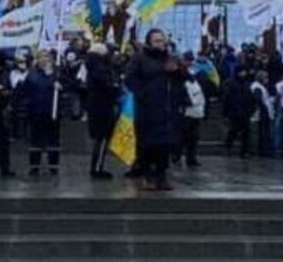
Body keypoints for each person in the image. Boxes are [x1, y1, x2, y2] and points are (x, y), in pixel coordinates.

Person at [126, 28, 184, 191]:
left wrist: (177, 71)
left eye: (162, 40)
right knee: (146, 145)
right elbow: (130, 79)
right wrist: (144, 93)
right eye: (156, 41)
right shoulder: (140, 58)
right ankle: (147, 176)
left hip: (166, 109)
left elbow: (182, 79)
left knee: (164, 145)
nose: (160, 44)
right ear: (149, 42)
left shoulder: (170, 58)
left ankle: (161, 175)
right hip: (147, 109)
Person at [81, 43, 119, 179]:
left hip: (96, 106)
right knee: (102, 139)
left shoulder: (91, 66)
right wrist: (116, 87)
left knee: (100, 139)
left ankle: (97, 167)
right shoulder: (100, 68)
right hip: (103, 107)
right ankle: (97, 168)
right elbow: (109, 85)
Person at [19, 51, 61, 176]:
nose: (45, 59)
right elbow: (26, 89)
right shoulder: (32, 73)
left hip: (52, 112)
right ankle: (34, 166)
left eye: (47, 57)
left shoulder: (57, 73)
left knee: (53, 140)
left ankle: (53, 166)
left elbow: (69, 84)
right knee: (35, 140)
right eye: (42, 57)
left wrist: (60, 85)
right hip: (36, 111)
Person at [179, 62, 207, 170]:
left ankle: (191, 158)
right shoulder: (183, 83)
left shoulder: (195, 82)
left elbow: (200, 96)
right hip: (187, 113)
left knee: (193, 138)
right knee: (183, 137)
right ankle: (177, 156)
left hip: (196, 112)